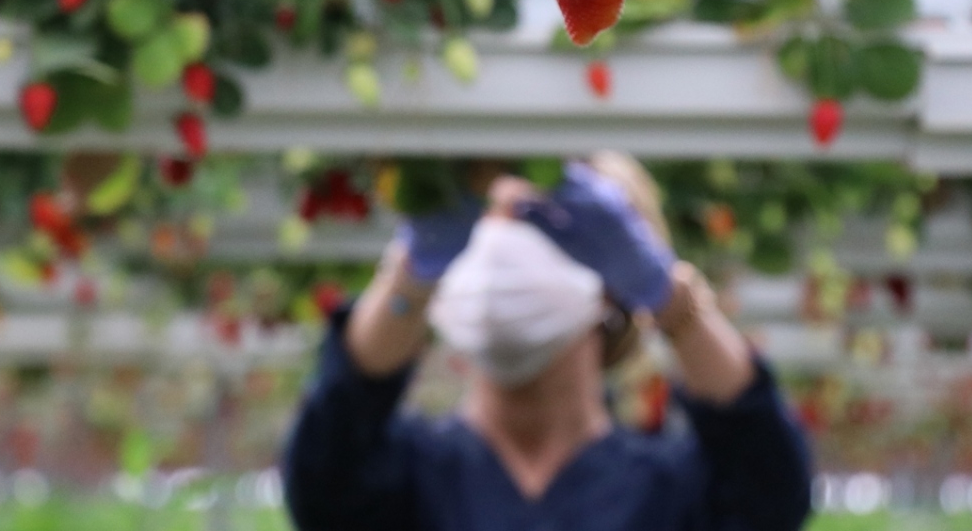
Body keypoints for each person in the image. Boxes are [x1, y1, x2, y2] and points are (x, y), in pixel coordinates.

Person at [282, 153, 813, 531]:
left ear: (612, 276)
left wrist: (669, 301)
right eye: (485, 226)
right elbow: (328, 452)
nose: (506, 248)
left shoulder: (668, 489)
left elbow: (770, 482)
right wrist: (409, 277)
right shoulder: (405, 477)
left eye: (544, 225)